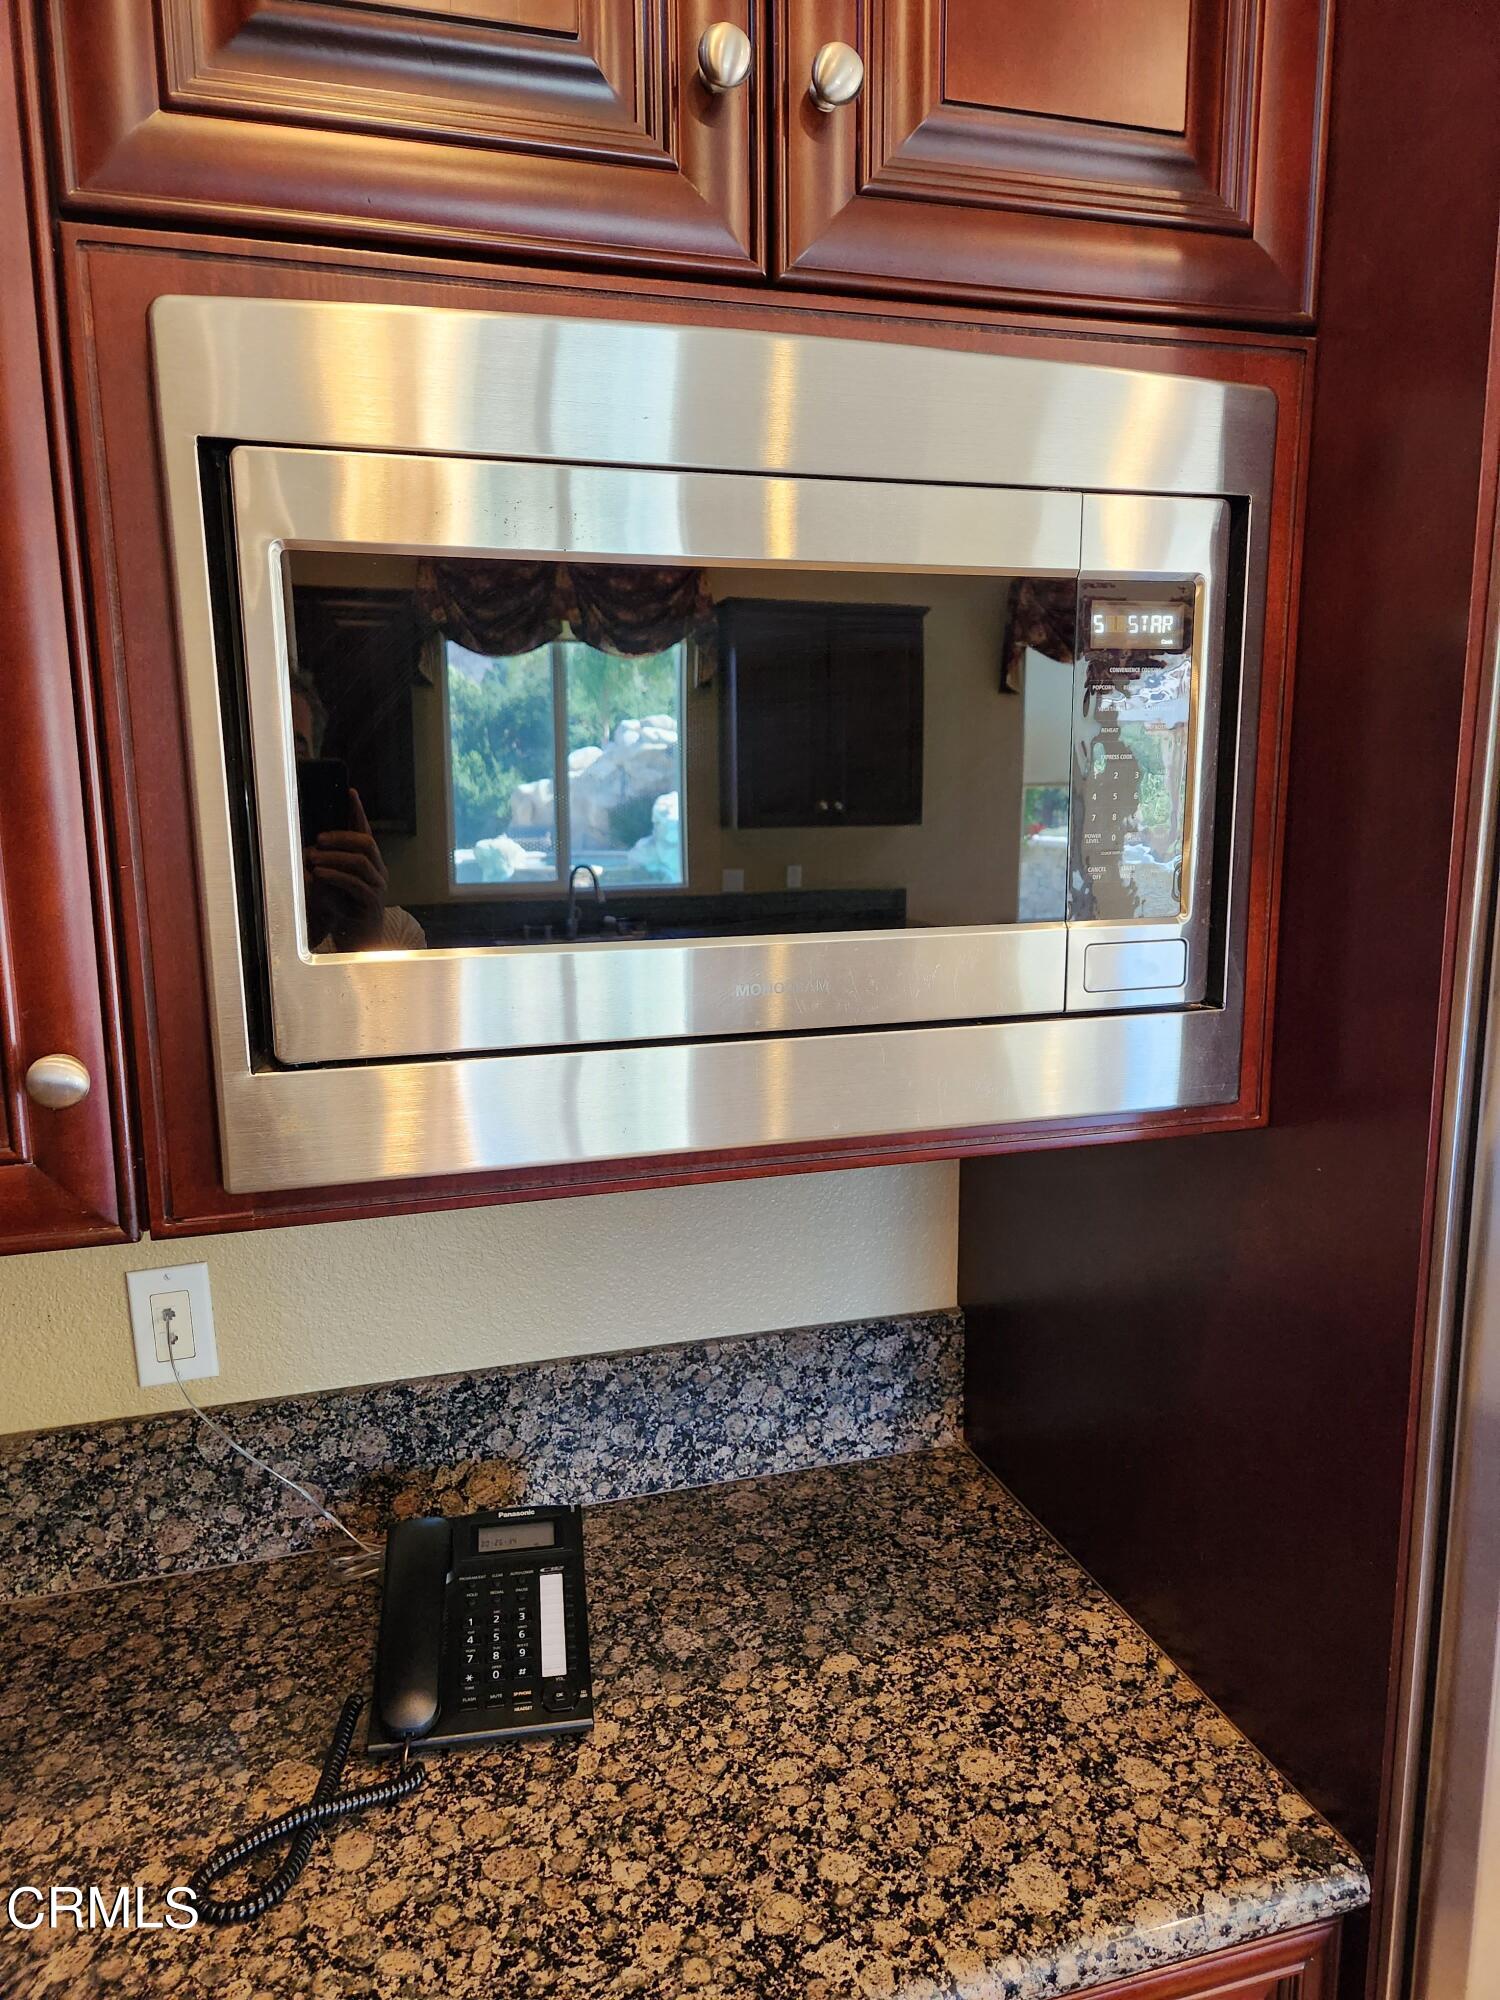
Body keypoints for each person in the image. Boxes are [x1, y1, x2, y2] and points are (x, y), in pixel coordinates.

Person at [289, 672, 426, 953]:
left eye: (296, 757)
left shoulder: (397, 936)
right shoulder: (204, 922)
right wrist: (292, 936)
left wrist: (361, 945)